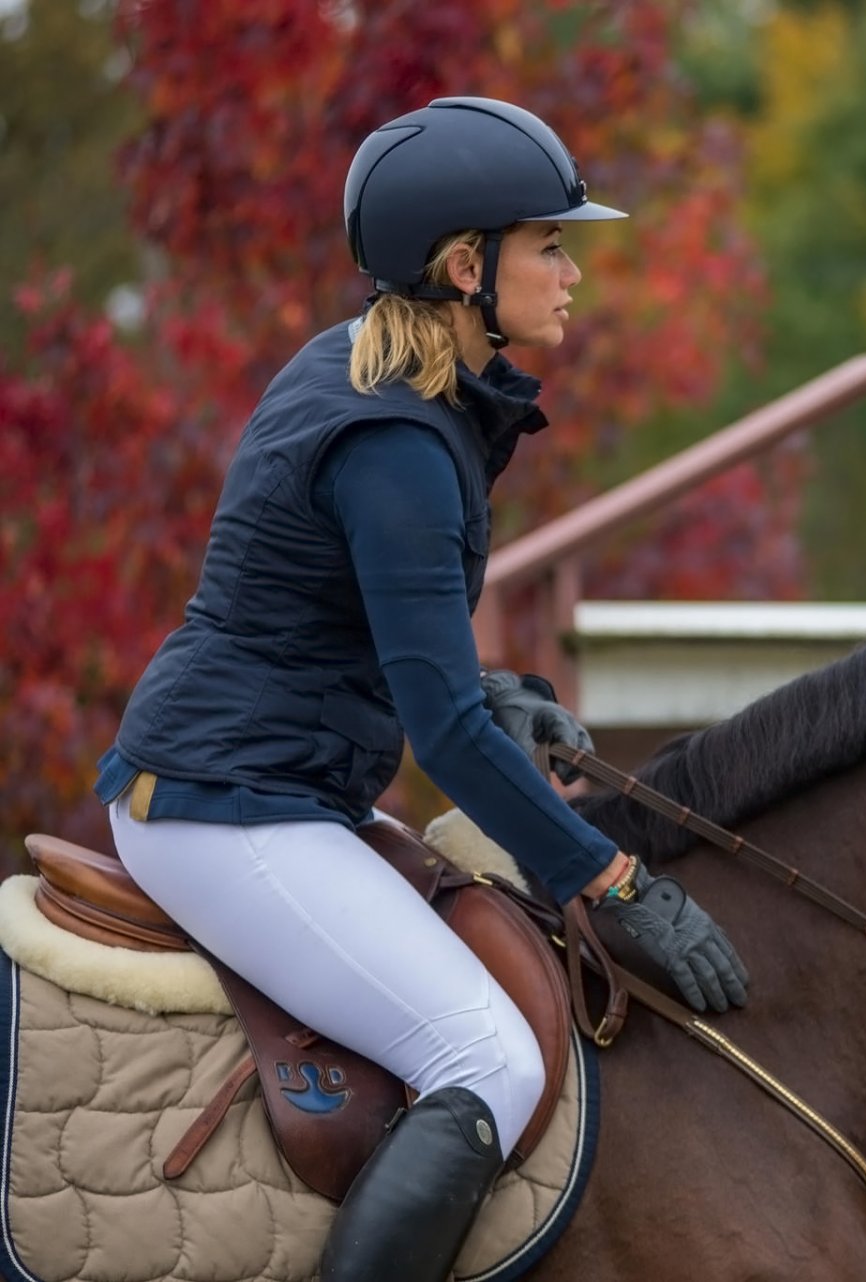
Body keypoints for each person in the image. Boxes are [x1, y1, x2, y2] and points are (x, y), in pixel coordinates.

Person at [91, 97, 750, 1281]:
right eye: (551, 244)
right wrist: (610, 876)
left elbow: (364, 639)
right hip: (223, 805)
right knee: (490, 1059)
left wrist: (494, 688)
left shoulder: (372, 375)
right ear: (465, 267)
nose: (574, 270)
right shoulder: (396, 439)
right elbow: (434, 726)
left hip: (278, 781)